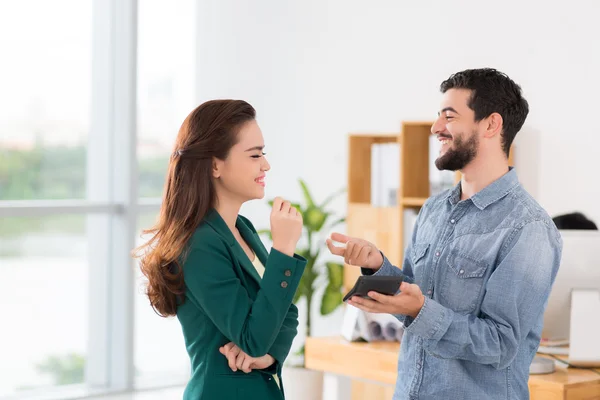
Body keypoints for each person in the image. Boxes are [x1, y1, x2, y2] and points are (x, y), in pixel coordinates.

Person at [327, 68, 563, 400]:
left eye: (449, 117)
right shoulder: (434, 209)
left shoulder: (528, 228)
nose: (437, 127)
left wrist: (420, 310)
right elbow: (412, 300)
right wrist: (378, 265)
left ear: (491, 124)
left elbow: (500, 344)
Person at [133, 99, 307, 400]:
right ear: (215, 165)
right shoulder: (199, 243)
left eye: (263, 154)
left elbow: (286, 313)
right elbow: (254, 337)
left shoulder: (243, 229)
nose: (265, 164)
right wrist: (284, 248)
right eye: (254, 155)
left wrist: (268, 357)